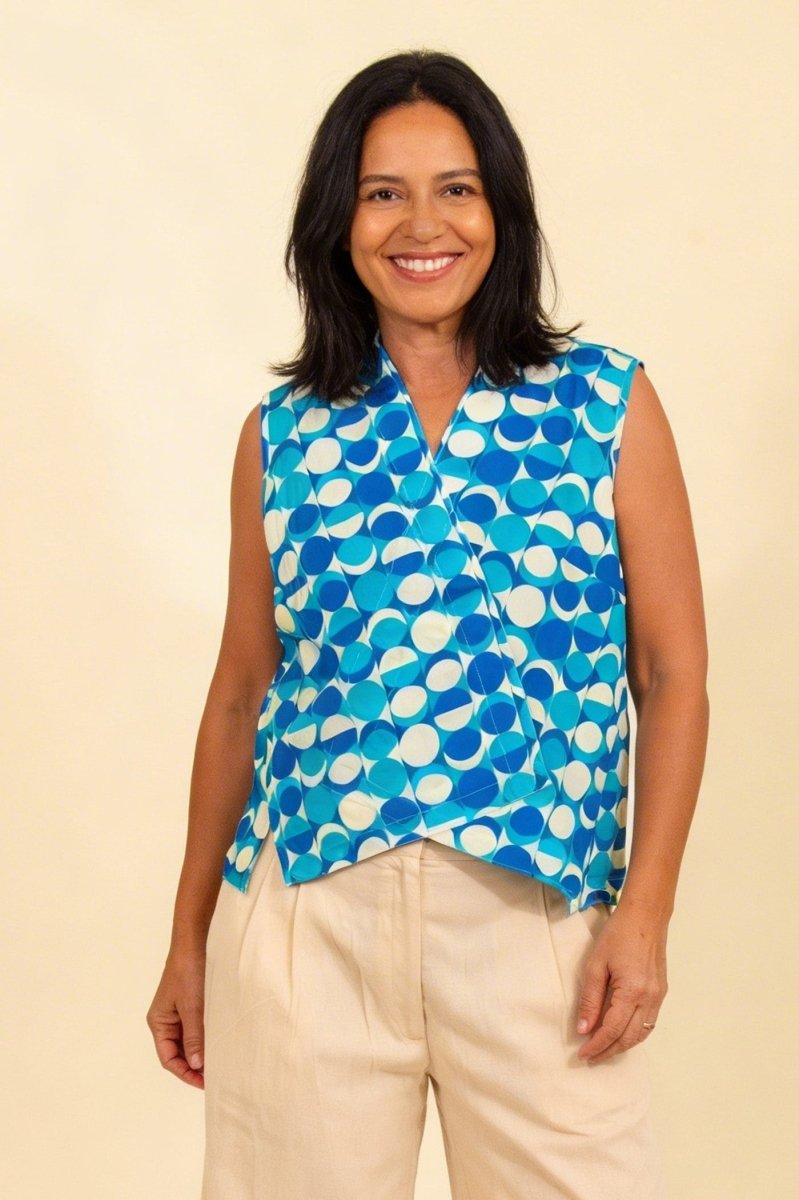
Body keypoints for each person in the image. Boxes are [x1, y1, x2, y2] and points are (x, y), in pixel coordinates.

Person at [146, 49, 709, 1200]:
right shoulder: (284, 434)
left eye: (456, 188)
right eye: (381, 193)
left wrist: (644, 914)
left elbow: (671, 674)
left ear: (501, 208)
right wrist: (189, 938)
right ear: (337, 222)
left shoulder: (604, 402)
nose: (421, 225)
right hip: (309, 918)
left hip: (538, 917)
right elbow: (241, 694)